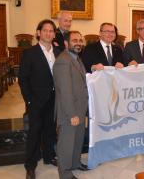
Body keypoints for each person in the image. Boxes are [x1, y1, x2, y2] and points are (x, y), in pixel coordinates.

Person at [18, 19, 60, 179]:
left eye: (51, 31)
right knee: (34, 132)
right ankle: (30, 165)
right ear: (39, 33)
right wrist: (29, 100)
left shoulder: (57, 52)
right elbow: (23, 79)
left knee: (50, 129)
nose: (49, 33)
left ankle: (49, 156)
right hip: (36, 100)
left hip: (54, 99)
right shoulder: (30, 53)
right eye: (46, 30)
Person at [53, 31, 89, 179]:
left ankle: (75, 163)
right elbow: (65, 91)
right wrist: (72, 114)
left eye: (80, 40)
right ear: (66, 43)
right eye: (75, 40)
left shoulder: (76, 58)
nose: (78, 43)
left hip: (80, 108)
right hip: (70, 111)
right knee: (66, 143)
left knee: (77, 139)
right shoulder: (63, 60)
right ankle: (65, 173)